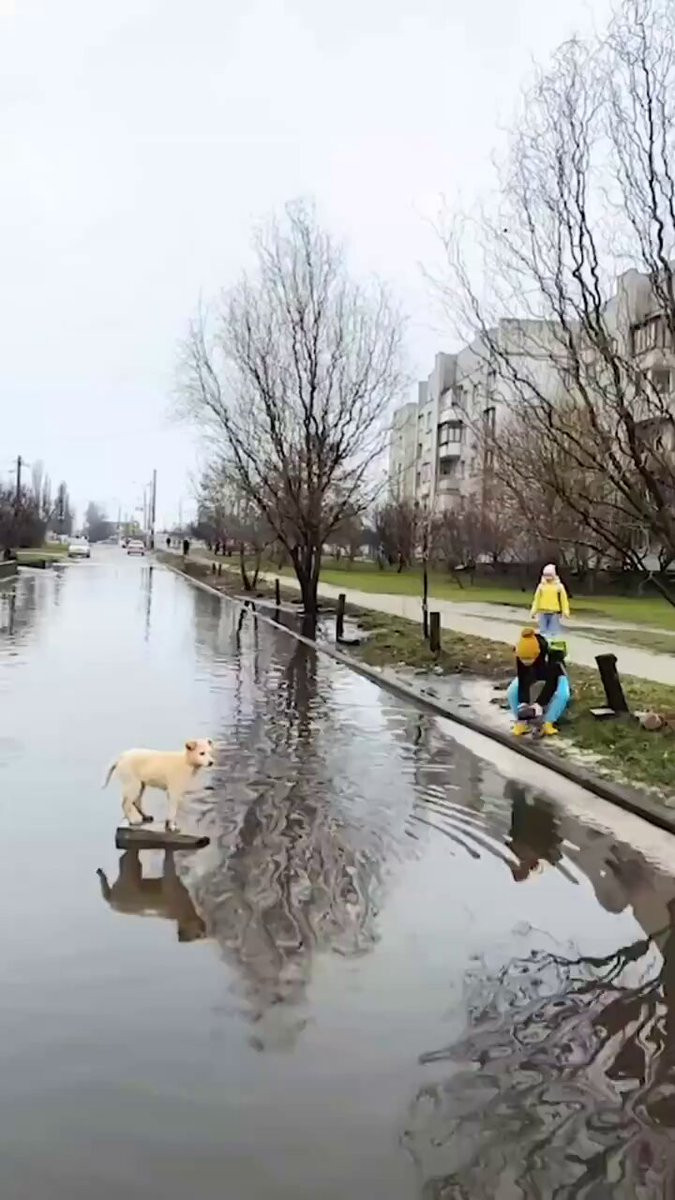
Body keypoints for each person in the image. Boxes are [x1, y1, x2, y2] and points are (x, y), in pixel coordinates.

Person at [507, 626, 571, 737]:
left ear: (537, 654)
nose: (525, 662)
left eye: (529, 659)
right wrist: (523, 703)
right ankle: (521, 722)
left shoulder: (552, 656)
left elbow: (551, 684)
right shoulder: (521, 652)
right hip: (535, 672)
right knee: (512, 691)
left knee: (563, 694)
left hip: (556, 673)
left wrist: (539, 705)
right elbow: (523, 679)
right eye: (523, 659)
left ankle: (548, 722)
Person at [530, 562, 570, 637]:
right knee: (543, 631)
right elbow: (536, 599)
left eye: (550, 575)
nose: (548, 577)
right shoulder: (541, 586)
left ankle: (552, 642)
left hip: (554, 613)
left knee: (553, 631)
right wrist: (533, 611)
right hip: (542, 612)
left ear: (554, 575)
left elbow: (564, 600)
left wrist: (565, 611)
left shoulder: (559, 586)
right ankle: (544, 642)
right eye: (546, 575)